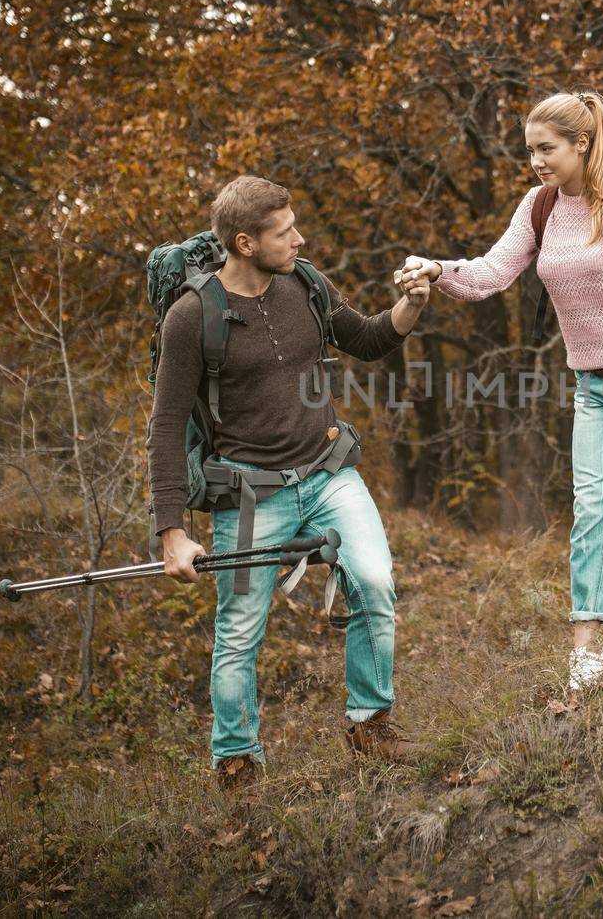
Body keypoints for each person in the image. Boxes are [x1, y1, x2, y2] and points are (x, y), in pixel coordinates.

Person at [395, 90, 603, 693]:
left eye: (546, 149)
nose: (537, 161)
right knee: (591, 511)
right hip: (594, 385)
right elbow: (492, 273)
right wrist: (439, 270)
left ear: (582, 144)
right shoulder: (538, 207)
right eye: (530, 151)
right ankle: (587, 651)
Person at [149, 175, 428, 789]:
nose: (299, 239)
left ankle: (370, 724)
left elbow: (369, 338)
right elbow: (166, 427)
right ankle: (237, 761)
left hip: (329, 475)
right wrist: (171, 532)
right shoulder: (192, 317)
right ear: (245, 243)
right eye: (284, 232)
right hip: (250, 494)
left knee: (375, 583)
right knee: (240, 628)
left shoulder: (306, 284)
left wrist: (413, 303)